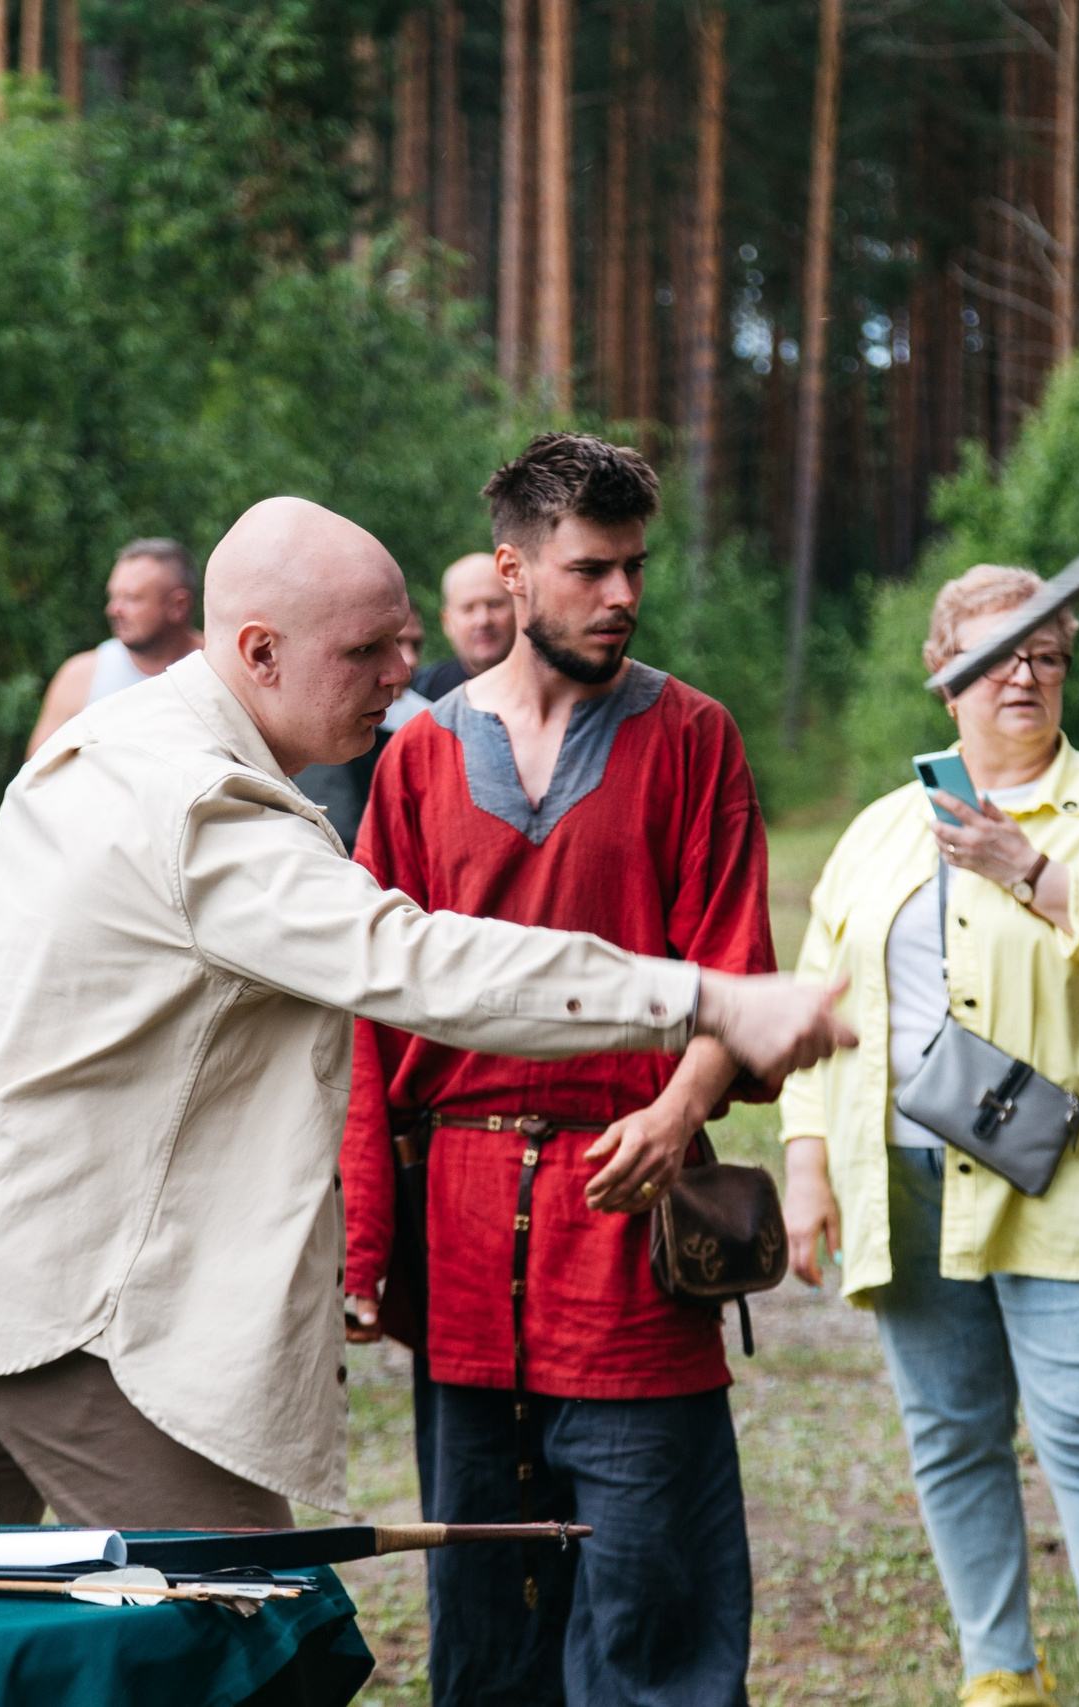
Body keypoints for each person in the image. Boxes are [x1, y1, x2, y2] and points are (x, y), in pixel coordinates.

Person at [0, 495, 851, 1532]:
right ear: (260, 652)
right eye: (364, 650)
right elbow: (418, 963)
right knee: (247, 1640)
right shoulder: (201, 810)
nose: (398, 675)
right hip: (62, 1315)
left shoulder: (110, 741)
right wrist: (703, 997)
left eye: (403, 643)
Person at [341, 435, 772, 1707]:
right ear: (512, 575)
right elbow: (364, 1010)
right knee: (487, 1604)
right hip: (463, 1237)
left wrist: (677, 1108)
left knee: (655, 1607)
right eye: (592, 569)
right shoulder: (417, 760)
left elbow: (733, 974)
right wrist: (366, 1244)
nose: (624, 595)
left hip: (631, 1225)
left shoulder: (693, 738)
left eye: (636, 566)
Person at [779, 566, 1079, 1707]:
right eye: (995, 653)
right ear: (944, 677)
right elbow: (817, 1003)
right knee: (952, 1435)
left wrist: (1039, 874)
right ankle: (998, 1670)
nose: (1023, 673)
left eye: (1045, 655)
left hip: (1060, 1168)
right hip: (901, 1172)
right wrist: (806, 1164)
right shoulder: (880, 830)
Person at [25, 538, 203, 757]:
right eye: (113, 596)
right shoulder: (80, 676)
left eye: (132, 598)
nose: (114, 610)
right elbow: (36, 778)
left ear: (179, 605)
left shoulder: (221, 671)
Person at [297, 603, 431, 848]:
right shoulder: (312, 748)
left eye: (416, 645)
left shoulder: (427, 721)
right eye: (369, 648)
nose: (407, 664)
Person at [413, 551, 516, 700]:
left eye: (494, 604)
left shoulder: (551, 687)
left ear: (519, 610)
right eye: (468, 608)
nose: (482, 621)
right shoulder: (422, 693)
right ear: (447, 621)